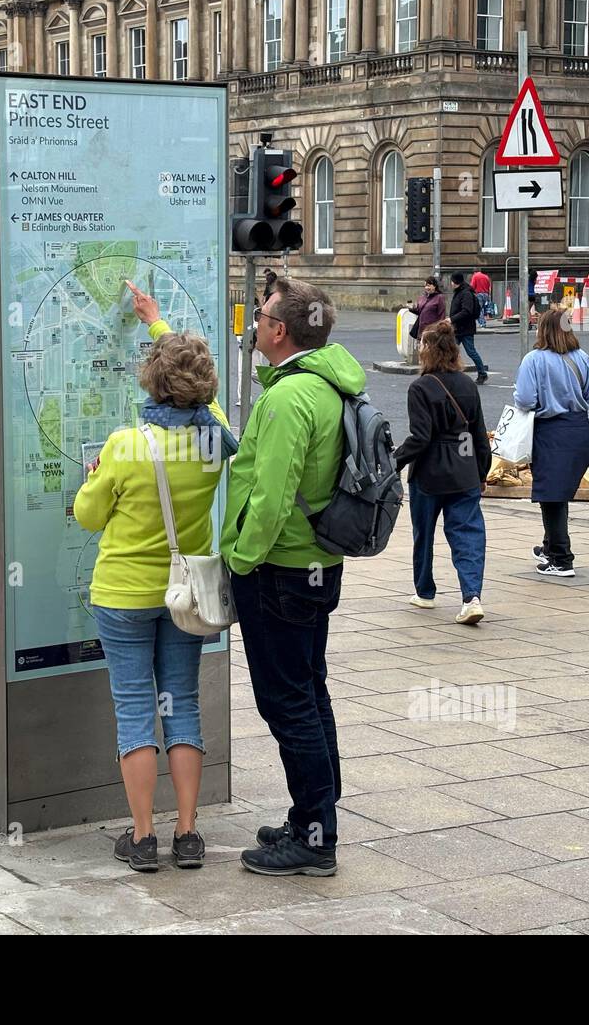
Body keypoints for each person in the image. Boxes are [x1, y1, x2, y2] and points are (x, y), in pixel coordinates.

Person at [73, 283, 237, 873]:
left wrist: (94, 476)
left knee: (135, 709)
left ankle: (142, 838)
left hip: (122, 596)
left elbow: (89, 514)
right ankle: (188, 833)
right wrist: (162, 327)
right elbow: (212, 414)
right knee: (183, 705)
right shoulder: (211, 444)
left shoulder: (125, 443)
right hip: (185, 597)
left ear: (152, 384)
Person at [222, 277, 364, 878]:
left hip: (278, 568)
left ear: (280, 330)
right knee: (310, 690)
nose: (254, 323)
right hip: (317, 564)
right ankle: (314, 816)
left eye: (261, 316)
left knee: (286, 702)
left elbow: (271, 495)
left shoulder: (287, 400)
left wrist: (239, 559)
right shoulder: (330, 384)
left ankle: (314, 839)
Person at [393, 320, 492, 625]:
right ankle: (471, 597)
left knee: (424, 534)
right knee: (468, 535)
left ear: (430, 351)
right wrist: (482, 473)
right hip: (464, 472)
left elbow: (420, 438)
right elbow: (478, 434)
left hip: (429, 474)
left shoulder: (420, 387)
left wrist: (393, 462)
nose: (419, 348)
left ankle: (425, 592)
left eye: (422, 344)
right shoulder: (467, 384)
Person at [514, 307, 589, 578]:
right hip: (579, 432)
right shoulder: (581, 358)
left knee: (552, 496)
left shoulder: (533, 360)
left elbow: (525, 400)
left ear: (543, 330)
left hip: (550, 432)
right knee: (557, 492)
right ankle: (549, 546)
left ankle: (561, 559)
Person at [448, 271, 489, 385]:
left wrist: (452, 319)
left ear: (455, 282)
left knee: (471, 352)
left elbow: (467, 311)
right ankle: (451, 373)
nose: (450, 283)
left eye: (451, 281)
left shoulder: (465, 293)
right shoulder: (460, 292)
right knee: (451, 351)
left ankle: (482, 373)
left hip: (465, 329)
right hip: (458, 328)